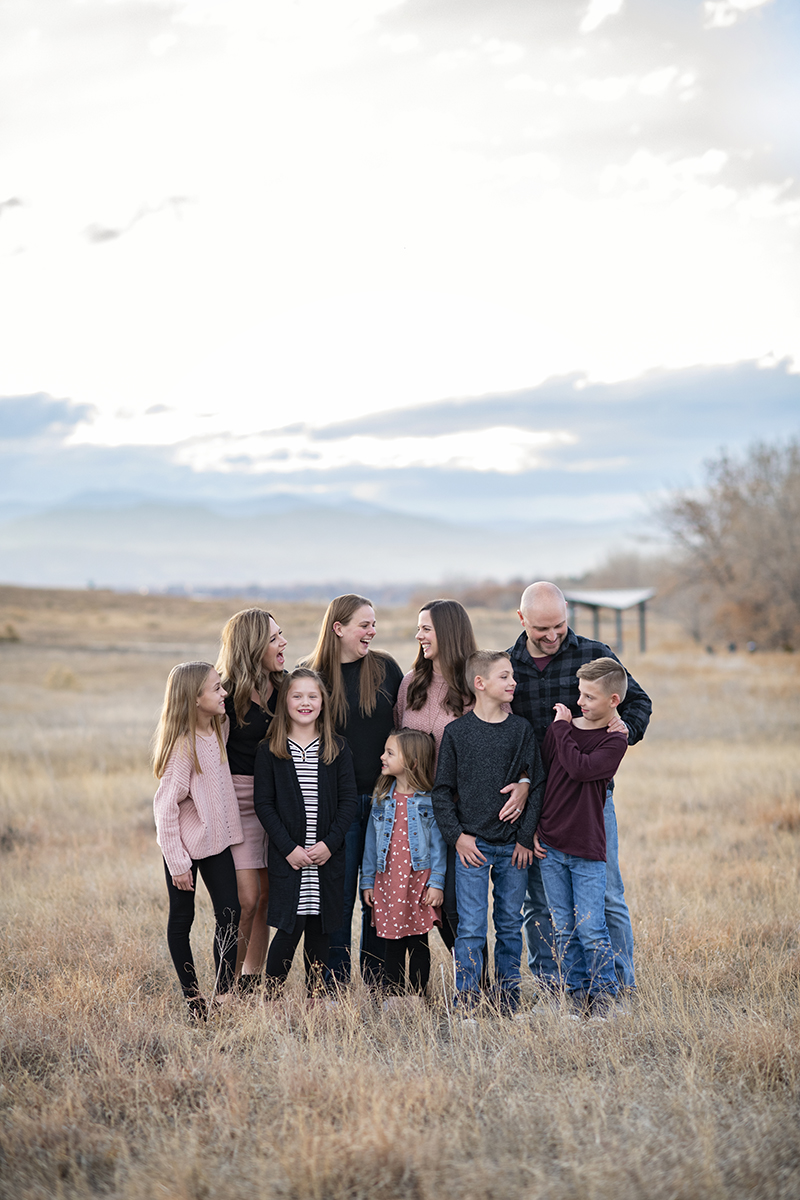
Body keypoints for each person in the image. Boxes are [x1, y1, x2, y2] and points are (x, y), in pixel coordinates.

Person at [508, 581, 652, 993]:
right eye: (541, 629)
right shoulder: (508, 666)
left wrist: (620, 733)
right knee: (540, 902)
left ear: (567, 611)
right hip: (539, 803)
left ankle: (619, 988)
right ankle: (555, 987)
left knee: (607, 896)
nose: (552, 635)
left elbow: (638, 702)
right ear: (522, 619)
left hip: (592, 801)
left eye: (559, 625)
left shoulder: (594, 654)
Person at [432, 651, 545, 1013]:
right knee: (471, 928)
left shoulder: (520, 730)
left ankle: (508, 1001)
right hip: (473, 846)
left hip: (513, 849)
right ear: (480, 683)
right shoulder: (457, 733)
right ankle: (466, 1002)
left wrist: (525, 837)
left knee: (510, 925)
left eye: (513, 676)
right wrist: (457, 837)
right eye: (504, 676)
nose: (513, 682)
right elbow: (441, 791)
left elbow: (536, 784)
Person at [303, 594, 404, 986]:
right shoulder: (309, 676)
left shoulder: (385, 668)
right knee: (338, 897)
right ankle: (333, 986)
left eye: (374, 624)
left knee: (379, 894)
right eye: (364, 625)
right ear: (338, 628)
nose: (372, 631)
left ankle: (379, 983)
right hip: (334, 807)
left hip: (384, 802)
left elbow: (403, 730)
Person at [253, 668, 358, 997]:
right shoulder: (270, 750)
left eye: (313, 696)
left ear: (323, 702)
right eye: (297, 695)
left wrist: (330, 844)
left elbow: (349, 803)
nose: (305, 702)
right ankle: (271, 998)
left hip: (325, 856)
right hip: (291, 857)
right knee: (290, 926)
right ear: (284, 701)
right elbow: (264, 805)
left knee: (320, 929)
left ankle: (314, 1001)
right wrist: (288, 848)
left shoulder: (336, 748)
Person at [534, 659, 629, 1017]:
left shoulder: (615, 740)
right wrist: (534, 830)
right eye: (580, 694)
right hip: (551, 844)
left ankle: (603, 999)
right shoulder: (562, 728)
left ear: (613, 700)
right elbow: (544, 775)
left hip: (587, 847)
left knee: (591, 928)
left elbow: (580, 768)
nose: (580, 702)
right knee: (563, 928)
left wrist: (561, 728)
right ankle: (575, 999)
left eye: (589, 696)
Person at [152, 661, 243, 1021]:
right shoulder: (182, 747)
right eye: (217, 688)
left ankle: (223, 995)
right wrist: (177, 863)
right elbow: (164, 808)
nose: (225, 694)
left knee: (230, 914)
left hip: (216, 843)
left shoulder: (219, 727)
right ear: (194, 698)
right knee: (182, 920)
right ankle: (194, 1000)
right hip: (184, 850)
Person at [216, 608, 287, 992]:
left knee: (266, 897)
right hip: (237, 805)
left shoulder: (285, 687)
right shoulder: (224, 695)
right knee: (246, 899)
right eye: (274, 638)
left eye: (281, 635)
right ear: (252, 645)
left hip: (274, 803)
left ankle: (249, 983)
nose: (283, 643)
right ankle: (225, 987)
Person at [361, 729, 446, 1006]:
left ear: (412, 761)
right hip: (388, 881)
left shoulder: (429, 801)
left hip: (418, 881)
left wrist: (437, 883)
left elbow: (438, 846)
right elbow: (371, 844)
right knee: (392, 939)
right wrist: (367, 880)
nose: (382, 757)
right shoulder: (382, 798)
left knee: (418, 940)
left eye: (390, 753)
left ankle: (417, 995)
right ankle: (394, 996)